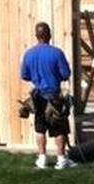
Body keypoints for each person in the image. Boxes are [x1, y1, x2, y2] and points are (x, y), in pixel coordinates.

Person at [19, 21, 75, 170]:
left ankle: (42, 158)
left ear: (36, 36)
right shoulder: (56, 53)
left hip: (38, 97)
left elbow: (24, 75)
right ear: (49, 35)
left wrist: (37, 78)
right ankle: (61, 159)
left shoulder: (29, 54)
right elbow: (65, 74)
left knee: (40, 128)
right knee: (59, 129)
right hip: (54, 96)